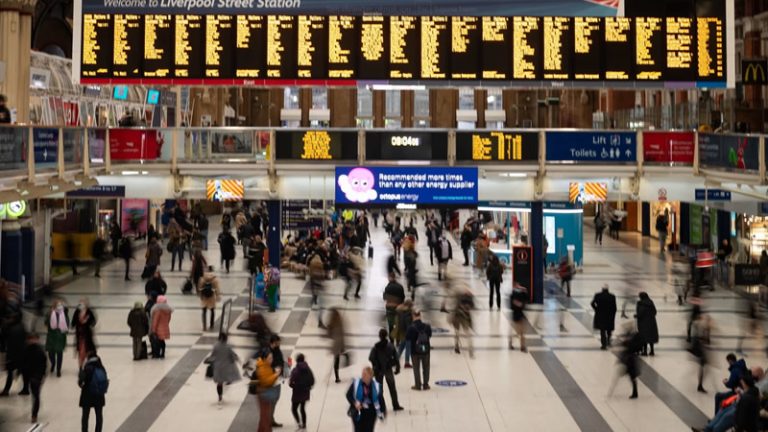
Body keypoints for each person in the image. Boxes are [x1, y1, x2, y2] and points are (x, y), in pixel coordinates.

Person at [369, 329, 404, 412]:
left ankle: (381, 406)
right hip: (388, 369)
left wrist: (375, 365)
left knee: (379, 389)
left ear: (379, 336)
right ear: (386, 335)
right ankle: (395, 405)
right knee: (392, 388)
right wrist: (397, 367)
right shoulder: (390, 346)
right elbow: (396, 357)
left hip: (378, 370)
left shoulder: (375, 347)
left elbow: (371, 358)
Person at [346, 366, 385, 432]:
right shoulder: (356, 383)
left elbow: (380, 399)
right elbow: (348, 395)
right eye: (362, 374)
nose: (363, 376)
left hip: (371, 412)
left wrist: (382, 411)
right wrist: (355, 403)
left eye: (365, 374)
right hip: (358, 411)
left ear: (370, 376)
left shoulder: (376, 386)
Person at [79, 350, 107, 432]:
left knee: (85, 416)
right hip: (99, 394)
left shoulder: (87, 367)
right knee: (99, 416)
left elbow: (81, 381)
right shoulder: (101, 367)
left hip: (87, 394)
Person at [0, 313, 28, 396]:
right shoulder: (22, 326)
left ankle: (6, 390)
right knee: (24, 372)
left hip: (14, 354)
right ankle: (25, 389)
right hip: (22, 353)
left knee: (10, 372)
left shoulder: (12, 328)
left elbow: (4, 338)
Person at [22, 333, 47, 423]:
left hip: (36, 376)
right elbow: (23, 362)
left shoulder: (39, 351)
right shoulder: (26, 350)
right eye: (31, 339)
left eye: (34, 339)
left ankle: (34, 414)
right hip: (30, 375)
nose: (32, 341)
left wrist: (42, 375)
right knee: (35, 395)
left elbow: (44, 364)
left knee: (35, 395)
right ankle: (34, 412)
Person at [254, 348, 282, 432]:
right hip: (263, 393)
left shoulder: (267, 365)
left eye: (272, 358)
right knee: (266, 417)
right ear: (264, 358)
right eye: (270, 358)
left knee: (264, 416)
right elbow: (265, 381)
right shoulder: (262, 368)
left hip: (266, 392)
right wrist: (276, 375)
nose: (272, 360)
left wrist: (275, 374)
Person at [210, 333, 240, 404]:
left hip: (218, 367)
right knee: (226, 378)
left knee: (219, 383)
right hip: (226, 367)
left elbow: (213, 355)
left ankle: (220, 396)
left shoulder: (216, 346)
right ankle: (228, 382)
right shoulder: (228, 346)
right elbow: (232, 356)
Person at [406, 310, 432, 391]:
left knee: (416, 368)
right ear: (420, 316)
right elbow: (430, 335)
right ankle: (426, 385)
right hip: (426, 350)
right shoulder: (427, 326)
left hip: (415, 351)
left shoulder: (411, 327)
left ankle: (417, 385)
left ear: (413, 316)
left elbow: (407, 338)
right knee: (426, 368)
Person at [289, 353, 315, 430]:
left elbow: (290, 382)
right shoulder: (308, 369)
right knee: (302, 409)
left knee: (294, 409)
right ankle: (304, 424)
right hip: (305, 392)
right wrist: (308, 387)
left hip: (297, 393)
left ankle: (298, 423)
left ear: (296, 360)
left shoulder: (295, 370)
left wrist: (294, 386)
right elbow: (312, 381)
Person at [269, 334, 288, 428]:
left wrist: (284, 365)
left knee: (275, 398)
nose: (279, 344)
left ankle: (270, 418)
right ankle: (269, 419)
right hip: (270, 379)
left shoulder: (277, 350)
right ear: (273, 342)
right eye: (278, 342)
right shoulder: (267, 351)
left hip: (277, 378)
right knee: (272, 399)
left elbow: (279, 360)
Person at [45, 301, 68, 377]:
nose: (59, 306)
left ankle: (58, 370)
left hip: (60, 337)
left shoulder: (64, 314)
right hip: (51, 336)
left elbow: (67, 324)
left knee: (59, 354)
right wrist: (50, 315)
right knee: (50, 353)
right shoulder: (50, 313)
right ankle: (53, 363)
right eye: (58, 305)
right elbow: (46, 323)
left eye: (60, 305)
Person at [326, 307, 349, 383]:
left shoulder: (331, 322)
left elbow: (329, 335)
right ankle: (346, 358)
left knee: (336, 360)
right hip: (340, 343)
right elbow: (343, 333)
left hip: (336, 344)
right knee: (338, 358)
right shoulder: (340, 321)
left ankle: (337, 377)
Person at [591, 284, 617, 350]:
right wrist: (613, 314)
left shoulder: (598, 295)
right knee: (609, 329)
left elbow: (592, 303)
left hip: (600, 314)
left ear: (602, 289)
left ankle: (603, 344)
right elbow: (614, 307)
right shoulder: (612, 296)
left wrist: (596, 309)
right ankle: (608, 340)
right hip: (609, 315)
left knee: (602, 330)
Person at [72, 299, 97, 367]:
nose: (81, 305)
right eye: (80, 303)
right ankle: (80, 367)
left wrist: (87, 321)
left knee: (87, 351)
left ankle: (86, 366)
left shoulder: (89, 312)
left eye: (83, 303)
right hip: (79, 335)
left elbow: (93, 322)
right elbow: (73, 323)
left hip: (87, 335)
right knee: (80, 352)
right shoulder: (77, 311)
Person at [451, 288, 474, 356]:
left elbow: (472, 306)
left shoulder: (469, 299)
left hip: (464, 318)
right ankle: (457, 346)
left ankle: (469, 348)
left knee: (465, 333)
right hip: (458, 317)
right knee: (457, 333)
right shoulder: (460, 299)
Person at [198, 266, 221, 331]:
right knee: (212, 311)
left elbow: (200, 288)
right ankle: (211, 325)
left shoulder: (202, 278)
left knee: (204, 311)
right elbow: (217, 288)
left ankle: (204, 326)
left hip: (204, 297)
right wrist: (218, 296)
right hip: (212, 297)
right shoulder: (215, 279)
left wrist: (200, 295)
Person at [635, 292, 659, 356]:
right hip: (651, 322)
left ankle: (645, 351)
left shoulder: (640, 303)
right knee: (651, 336)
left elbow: (640, 313)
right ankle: (652, 351)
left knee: (644, 337)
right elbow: (655, 312)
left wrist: (636, 316)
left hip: (643, 322)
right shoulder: (651, 302)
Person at [383, 273, 405, 339]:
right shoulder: (400, 286)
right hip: (398, 307)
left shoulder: (387, 287)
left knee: (390, 325)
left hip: (389, 308)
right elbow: (403, 298)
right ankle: (398, 339)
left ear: (389, 278)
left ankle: (391, 339)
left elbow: (384, 298)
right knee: (398, 324)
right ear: (394, 277)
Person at [394, 299, 414, 369]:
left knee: (401, 347)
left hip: (402, 332)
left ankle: (395, 361)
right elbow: (408, 324)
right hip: (408, 333)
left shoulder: (400, 311)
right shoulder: (408, 313)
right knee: (408, 348)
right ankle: (407, 362)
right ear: (409, 306)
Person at [509, 285, 528, 352]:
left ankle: (520, 346)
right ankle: (522, 346)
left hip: (518, 316)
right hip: (517, 316)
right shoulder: (517, 295)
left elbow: (524, 303)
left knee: (520, 332)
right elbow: (523, 304)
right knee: (520, 332)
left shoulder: (514, 295)